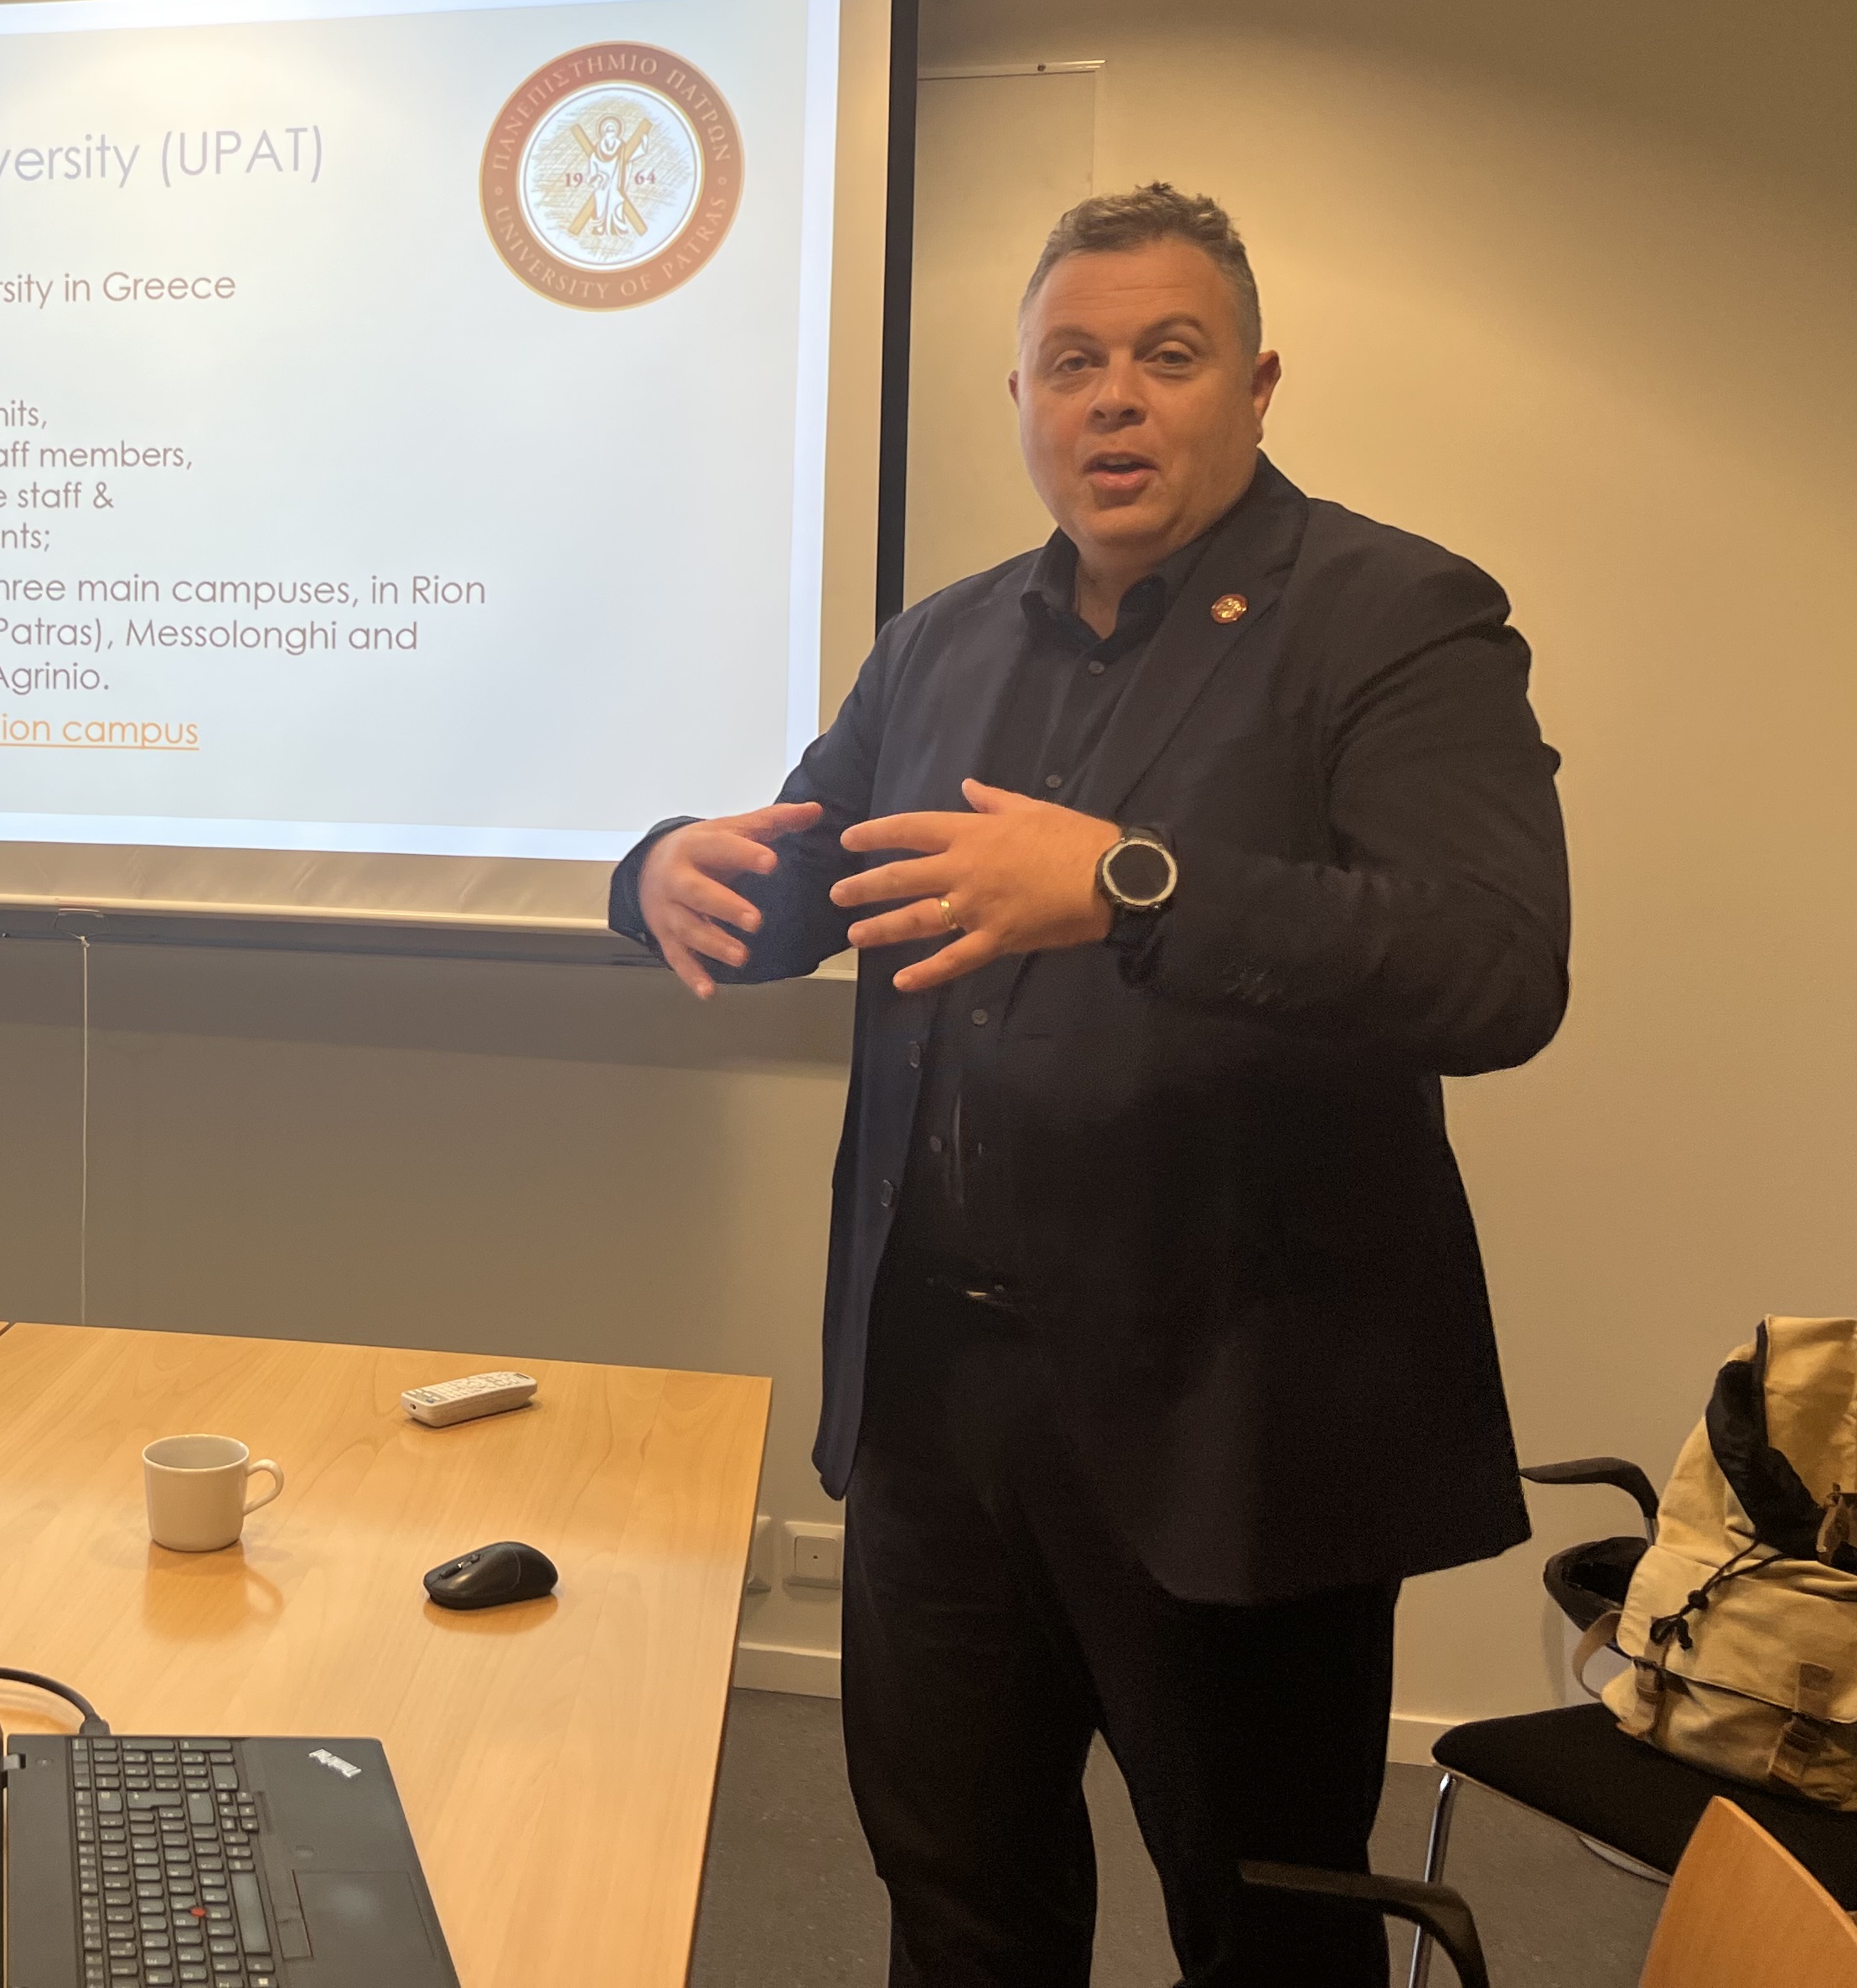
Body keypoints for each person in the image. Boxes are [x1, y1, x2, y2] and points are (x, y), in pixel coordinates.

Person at [613, 184, 1569, 1986]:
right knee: (958, 1903)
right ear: (1023, 402)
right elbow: (800, 878)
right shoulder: (942, 640)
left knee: (1265, 1927)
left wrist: (1132, 885)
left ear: (1257, 387)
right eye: (1071, 363)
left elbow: (1495, 968)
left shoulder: (1396, 615)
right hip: (939, 1404)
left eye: (1166, 356)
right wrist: (660, 867)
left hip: (1228, 1413)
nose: (1113, 397)